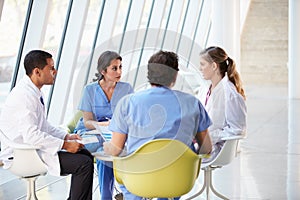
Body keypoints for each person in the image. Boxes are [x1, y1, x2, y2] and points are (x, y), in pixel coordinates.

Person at [103, 50, 213, 200]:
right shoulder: (192, 103)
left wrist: (105, 146)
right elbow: (207, 149)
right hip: (178, 180)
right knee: (170, 178)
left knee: (127, 175)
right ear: (174, 76)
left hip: (139, 181)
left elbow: (116, 150)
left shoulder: (127, 103)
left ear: (149, 75)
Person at [0, 50, 94, 200]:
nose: (55, 71)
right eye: (51, 68)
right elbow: (32, 135)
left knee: (85, 155)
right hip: (22, 154)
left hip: (33, 147)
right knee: (83, 164)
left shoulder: (34, 92)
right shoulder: (25, 96)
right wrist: (65, 145)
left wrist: (66, 136)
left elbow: (43, 126)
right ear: (37, 72)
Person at [75, 50, 133, 200]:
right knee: (103, 153)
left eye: (120, 67)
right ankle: (106, 196)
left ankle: (128, 191)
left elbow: (130, 117)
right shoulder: (90, 90)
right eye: (114, 68)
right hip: (93, 132)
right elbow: (87, 122)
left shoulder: (126, 88)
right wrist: (104, 125)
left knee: (125, 149)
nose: (119, 71)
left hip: (116, 132)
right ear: (103, 71)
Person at [197, 46, 247, 163]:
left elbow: (238, 129)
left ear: (214, 66)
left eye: (202, 64)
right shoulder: (204, 89)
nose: (200, 68)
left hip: (215, 149)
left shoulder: (230, 94)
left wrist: (211, 137)